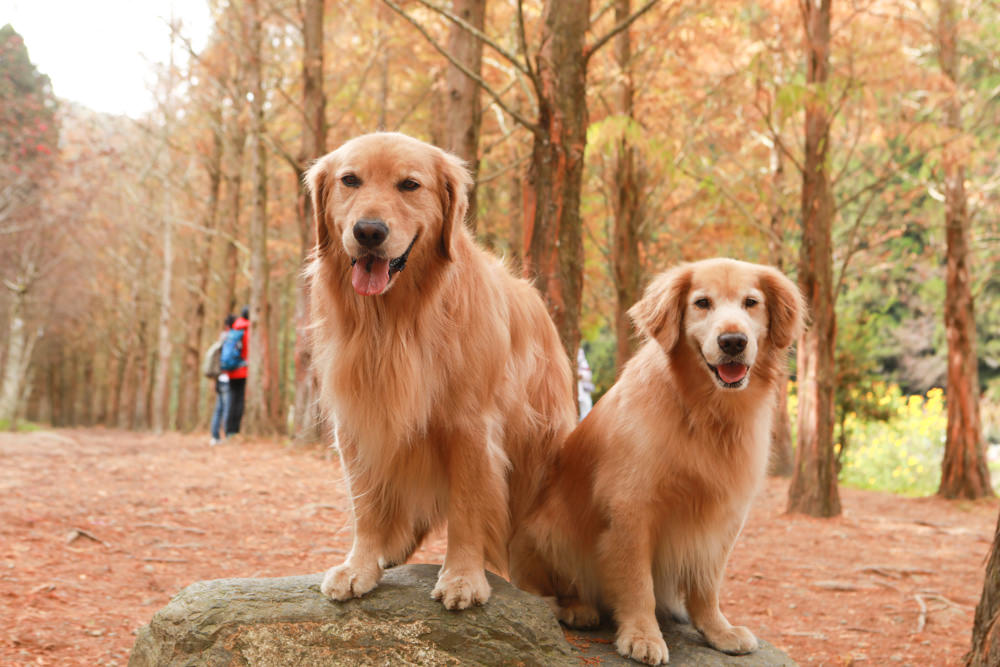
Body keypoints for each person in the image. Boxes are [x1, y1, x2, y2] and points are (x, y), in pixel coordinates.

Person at [209, 314, 237, 446]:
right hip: (227, 378)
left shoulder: (222, 337)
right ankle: (227, 435)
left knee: (219, 408)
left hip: (219, 378)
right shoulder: (231, 337)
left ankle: (215, 436)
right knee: (227, 407)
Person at [225, 306, 250, 437]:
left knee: (231, 399)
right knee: (239, 400)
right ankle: (235, 431)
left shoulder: (234, 328)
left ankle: (228, 430)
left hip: (231, 371)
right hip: (242, 370)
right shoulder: (247, 330)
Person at [577, 346, 595, 420]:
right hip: (576, 391)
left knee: (586, 409)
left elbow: (588, 375)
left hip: (584, 391)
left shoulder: (583, 363)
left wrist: (580, 375)